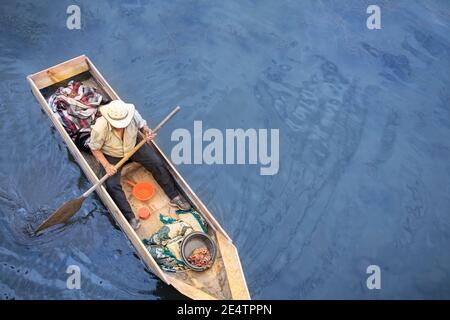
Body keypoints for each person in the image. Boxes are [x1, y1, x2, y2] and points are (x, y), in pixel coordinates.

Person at [88, 100, 191, 230]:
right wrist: (107, 165)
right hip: (112, 153)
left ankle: (174, 196)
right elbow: (95, 149)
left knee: (157, 163)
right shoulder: (99, 128)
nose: (121, 126)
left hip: (134, 145)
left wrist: (147, 132)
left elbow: (143, 126)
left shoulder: (133, 115)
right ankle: (130, 217)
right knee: (111, 185)